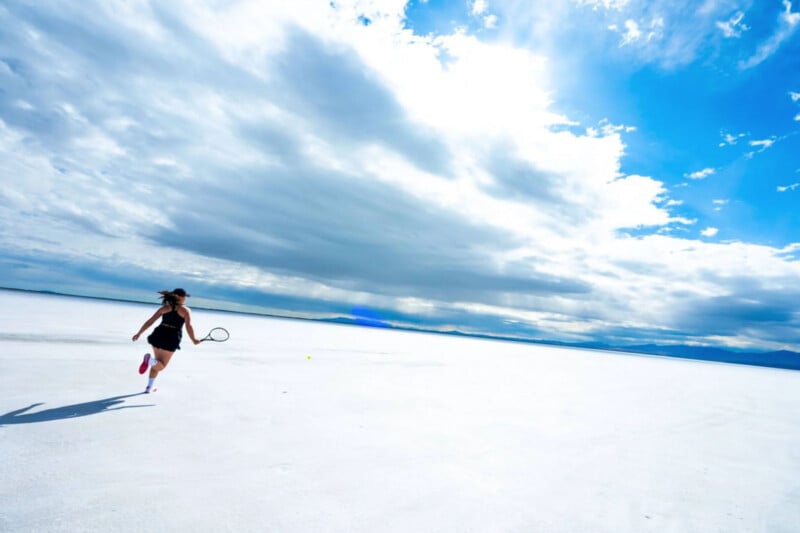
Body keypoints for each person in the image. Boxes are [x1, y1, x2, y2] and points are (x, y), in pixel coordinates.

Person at [132, 288, 200, 393]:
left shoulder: (165, 308)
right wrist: (194, 339)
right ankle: (149, 360)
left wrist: (139, 333)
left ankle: (149, 387)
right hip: (171, 337)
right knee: (161, 366)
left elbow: (150, 321)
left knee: (156, 363)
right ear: (179, 296)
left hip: (158, 334)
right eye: (185, 296)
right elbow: (188, 326)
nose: (186, 298)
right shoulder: (185, 310)